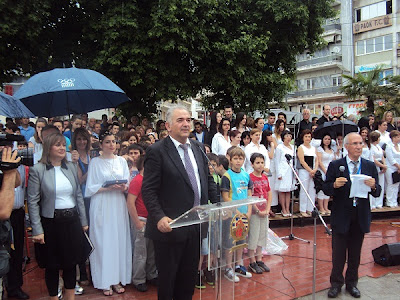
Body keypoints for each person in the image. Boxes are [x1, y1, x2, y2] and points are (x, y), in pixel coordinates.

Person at [141, 105, 218, 300]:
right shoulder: (156, 151)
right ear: (168, 126)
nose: (186, 124)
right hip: (170, 228)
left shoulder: (198, 148)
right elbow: (149, 189)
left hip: (195, 226)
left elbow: (207, 180)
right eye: (180, 120)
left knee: (187, 282)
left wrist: (217, 207)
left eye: (188, 120)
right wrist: (159, 217)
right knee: (168, 283)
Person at [27, 133, 88, 300]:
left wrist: (83, 221)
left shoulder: (69, 167)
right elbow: (32, 202)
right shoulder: (37, 170)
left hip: (72, 222)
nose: (62, 148)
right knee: (52, 266)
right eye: (58, 145)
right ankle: (54, 297)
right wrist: (38, 230)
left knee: (71, 264)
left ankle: (70, 297)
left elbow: (78, 196)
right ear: (48, 148)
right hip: (51, 224)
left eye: (63, 145)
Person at [322, 132, 381, 299]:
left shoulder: (369, 166)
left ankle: (352, 283)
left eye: (361, 143)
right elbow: (325, 188)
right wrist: (334, 184)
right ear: (346, 146)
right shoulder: (336, 165)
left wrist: (374, 186)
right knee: (338, 254)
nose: (358, 147)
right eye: (355, 143)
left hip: (360, 214)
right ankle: (336, 283)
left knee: (355, 254)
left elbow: (377, 193)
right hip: (341, 214)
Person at [85, 132, 131, 296]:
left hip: (118, 204)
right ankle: (105, 280)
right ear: (102, 145)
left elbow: (128, 182)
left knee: (118, 240)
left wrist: (123, 187)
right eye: (107, 142)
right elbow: (90, 187)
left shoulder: (122, 161)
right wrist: (107, 188)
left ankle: (117, 279)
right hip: (102, 204)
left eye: (113, 142)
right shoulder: (95, 162)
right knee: (104, 241)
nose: (111, 145)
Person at [220, 147, 253, 282]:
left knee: (241, 241)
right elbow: (226, 197)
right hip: (232, 215)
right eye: (235, 158)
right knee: (230, 242)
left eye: (240, 159)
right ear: (230, 160)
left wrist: (249, 211)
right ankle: (228, 267)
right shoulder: (227, 176)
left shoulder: (246, 175)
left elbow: (250, 195)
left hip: (244, 215)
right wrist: (237, 211)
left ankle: (238, 264)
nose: (238, 161)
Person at [127, 155, 157, 292]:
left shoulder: (151, 181)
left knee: (151, 251)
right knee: (141, 252)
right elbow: (130, 202)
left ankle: (151, 274)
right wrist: (137, 222)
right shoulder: (137, 181)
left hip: (151, 220)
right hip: (141, 220)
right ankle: (138, 279)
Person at [248, 153, 271, 275]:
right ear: (252, 164)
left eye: (262, 162)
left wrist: (267, 209)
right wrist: (257, 210)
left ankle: (259, 259)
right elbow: (249, 196)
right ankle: (252, 261)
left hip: (265, 211)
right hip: (255, 213)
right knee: (254, 236)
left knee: (262, 235)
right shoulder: (250, 178)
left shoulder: (265, 177)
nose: (260, 165)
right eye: (257, 162)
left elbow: (269, 192)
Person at [297, 129, 318, 217]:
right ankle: (302, 209)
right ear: (303, 137)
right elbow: (302, 161)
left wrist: (315, 170)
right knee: (304, 190)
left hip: (312, 171)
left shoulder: (314, 148)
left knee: (312, 190)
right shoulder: (301, 147)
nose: (307, 138)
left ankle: (310, 208)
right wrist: (310, 170)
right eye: (306, 136)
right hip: (304, 171)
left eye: (309, 137)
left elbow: (317, 160)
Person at [275, 131, 295, 217]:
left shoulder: (293, 147)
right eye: (287, 136)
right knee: (282, 191)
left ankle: (288, 208)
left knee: (288, 191)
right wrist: (279, 173)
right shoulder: (280, 147)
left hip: (290, 171)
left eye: (290, 136)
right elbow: (277, 161)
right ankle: (283, 209)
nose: (289, 137)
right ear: (283, 137)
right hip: (282, 170)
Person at [316, 133, 336, 215]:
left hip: (330, 170)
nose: (327, 141)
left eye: (328, 139)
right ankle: (321, 208)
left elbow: (334, 160)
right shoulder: (320, 149)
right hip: (322, 170)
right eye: (325, 139)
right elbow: (320, 161)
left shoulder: (332, 150)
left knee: (328, 188)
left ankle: (326, 207)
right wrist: (325, 171)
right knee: (322, 189)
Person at [369, 132, 387, 209]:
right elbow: (373, 159)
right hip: (375, 166)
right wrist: (381, 165)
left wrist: (384, 165)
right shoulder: (371, 147)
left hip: (381, 166)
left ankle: (379, 203)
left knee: (381, 184)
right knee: (374, 183)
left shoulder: (378, 146)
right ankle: (372, 203)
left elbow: (382, 156)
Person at [384, 130, 400, 208]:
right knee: (391, 184)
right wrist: (398, 166)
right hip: (391, 167)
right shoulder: (389, 146)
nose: (398, 138)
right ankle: (389, 201)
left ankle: (394, 201)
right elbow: (391, 158)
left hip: (398, 168)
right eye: (397, 137)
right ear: (393, 137)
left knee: (397, 184)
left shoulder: (399, 146)